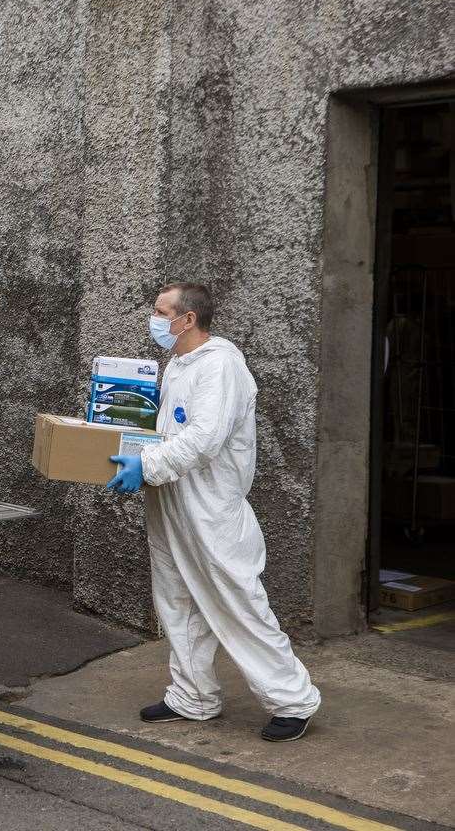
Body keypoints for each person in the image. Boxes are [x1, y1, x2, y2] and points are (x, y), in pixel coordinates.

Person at [107, 282, 321, 742]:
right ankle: (192, 696)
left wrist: (147, 464)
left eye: (161, 311)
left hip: (212, 507)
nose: (154, 318)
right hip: (172, 500)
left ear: (186, 319)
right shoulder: (179, 363)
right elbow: (171, 429)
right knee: (178, 601)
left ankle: (292, 699)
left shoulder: (221, 364)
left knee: (238, 602)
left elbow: (205, 438)